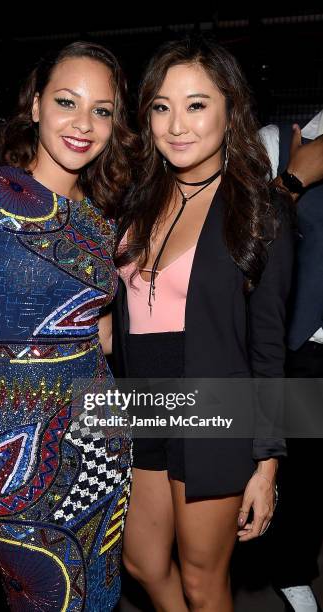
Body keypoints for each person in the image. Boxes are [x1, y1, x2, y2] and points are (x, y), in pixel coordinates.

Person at [0, 41, 134, 611]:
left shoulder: (101, 220)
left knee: (97, 595)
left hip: (100, 444)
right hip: (7, 453)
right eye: (67, 101)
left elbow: (101, 335)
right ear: (36, 105)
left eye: (102, 110)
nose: (83, 124)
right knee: (46, 595)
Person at [112, 36, 294, 611]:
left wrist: (266, 463)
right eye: (162, 106)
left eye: (196, 105)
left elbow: (268, 347)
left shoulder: (258, 208)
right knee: (140, 560)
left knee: (200, 577)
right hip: (137, 402)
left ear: (229, 110)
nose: (176, 125)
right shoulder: (134, 201)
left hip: (214, 403)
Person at [260, 115, 323, 612]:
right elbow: (242, 240)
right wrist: (293, 182)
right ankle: (292, 573)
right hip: (303, 345)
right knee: (302, 473)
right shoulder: (277, 143)